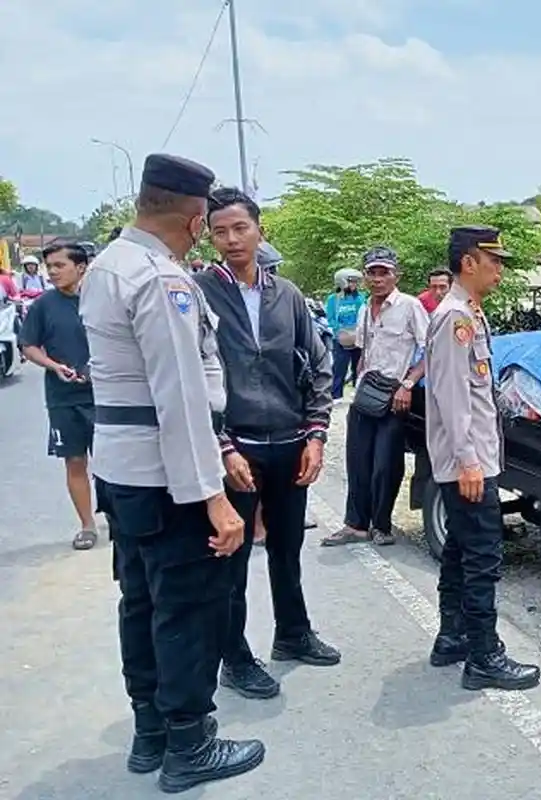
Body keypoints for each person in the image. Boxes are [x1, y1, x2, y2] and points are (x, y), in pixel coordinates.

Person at [79, 153, 264, 793]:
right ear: (193, 220)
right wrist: (213, 497)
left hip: (123, 471)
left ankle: (150, 731)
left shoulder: (107, 265)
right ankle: (188, 742)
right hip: (166, 475)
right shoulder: (163, 280)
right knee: (185, 605)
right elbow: (181, 397)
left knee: (141, 599)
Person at [196, 187, 340, 701]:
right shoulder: (198, 294)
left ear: (260, 230)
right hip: (235, 450)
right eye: (220, 231)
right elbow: (191, 378)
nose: (232, 239)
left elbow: (320, 365)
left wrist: (317, 434)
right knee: (230, 561)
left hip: (289, 443)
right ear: (209, 236)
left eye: (241, 228)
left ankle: (293, 634)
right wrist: (222, 446)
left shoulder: (289, 296)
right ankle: (233, 658)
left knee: (287, 547)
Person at [425, 225, 541, 691]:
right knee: (482, 557)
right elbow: (452, 397)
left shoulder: (470, 312)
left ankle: (452, 637)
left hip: (470, 458)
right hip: (467, 462)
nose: (499, 270)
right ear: (468, 263)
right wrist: (469, 461)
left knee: (458, 549)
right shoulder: (456, 318)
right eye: (493, 261)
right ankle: (483, 656)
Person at [321, 246, 428, 547]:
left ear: (397, 275)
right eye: (373, 273)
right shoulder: (365, 308)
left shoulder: (409, 306)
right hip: (366, 392)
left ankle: (381, 525)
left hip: (395, 394)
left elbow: (431, 350)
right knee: (357, 461)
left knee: (386, 463)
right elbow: (362, 350)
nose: (378, 279)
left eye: (385, 273)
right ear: (365, 276)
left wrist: (408, 384)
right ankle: (355, 525)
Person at [18, 243, 98, 549]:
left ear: (81, 268)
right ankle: (87, 525)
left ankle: (120, 521)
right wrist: (54, 366)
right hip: (63, 398)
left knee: (110, 462)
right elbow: (29, 346)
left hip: (105, 396)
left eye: (59, 265)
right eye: (49, 266)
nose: (52, 271)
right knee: (74, 461)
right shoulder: (43, 306)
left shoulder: (101, 301)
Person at [325, 269, 365, 400]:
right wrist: (339, 330)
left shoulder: (360, 298)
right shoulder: (333, 299)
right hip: (341, 337)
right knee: (339, 366)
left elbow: (363, 315)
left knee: (358, 365)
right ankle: (336, 394)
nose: (354, 284)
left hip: (357, 336)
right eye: (351, 281)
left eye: (355, 282)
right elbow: (330, 318)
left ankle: (357, 391)